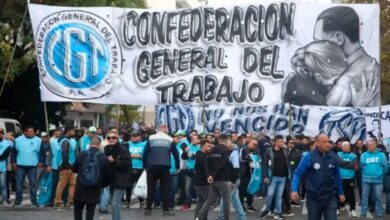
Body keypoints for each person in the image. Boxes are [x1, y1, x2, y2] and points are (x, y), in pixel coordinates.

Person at [291, 134, 345, 220]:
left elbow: (337, 176)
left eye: (329, 141)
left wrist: (341, 192)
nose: (328, 144)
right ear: (317, 143)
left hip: (330, 197)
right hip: (314, 198)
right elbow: (297, 173)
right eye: (324, 142)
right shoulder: (309, 156)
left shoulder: (333, 157)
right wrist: (294, 190)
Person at [143, 124, 179, 216]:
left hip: (152, 166)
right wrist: (177, 166)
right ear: (166, 130)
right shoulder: (169, 139)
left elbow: (145, 152)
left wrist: (145, 165)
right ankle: (166, 210)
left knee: (151, 188)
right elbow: (175, 154)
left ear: (158, 130)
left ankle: (148, 209)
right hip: (165, 167)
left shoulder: (151, 138)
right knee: (165, 189)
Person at [73, 137, 109, 220]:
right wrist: (102, 184)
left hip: (80, 187)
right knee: (90, 210)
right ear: (99, 145)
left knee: (78, 210)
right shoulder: (103, 157)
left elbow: (74, 169)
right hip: (95, 187)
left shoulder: (81, 154)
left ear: (89, 144)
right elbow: (108, 174)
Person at [200, 134, 232, 220]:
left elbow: (206, 164)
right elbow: (224, 164)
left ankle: (200, 216)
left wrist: (209, 175)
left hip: (213, 180)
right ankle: (226, 218)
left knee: (209, 200)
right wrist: (213, 174)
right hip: (223, 179)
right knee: (226, 201)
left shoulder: (211, 150)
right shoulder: (226, 150)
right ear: (226, 140)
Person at [12, 126, 43, 206]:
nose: (32, 132)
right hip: (20, 165)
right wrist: (13, 162)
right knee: (19, 184)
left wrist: (40, 161)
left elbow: (42, 152)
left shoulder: (38, 140)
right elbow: (14, 152)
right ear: (25, 132)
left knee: (33, 184)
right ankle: (18, 201)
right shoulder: (18, 140)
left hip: (32, 166)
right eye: (30, 131)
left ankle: (34, 201)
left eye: (33, 131)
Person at [104, 130, 132, 220]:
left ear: (117, 138)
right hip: (111, 179)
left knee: (116, 203)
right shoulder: (107, 148)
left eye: (113, 137)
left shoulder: (123, 149)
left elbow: (127, 164)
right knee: (113, 203)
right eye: (109, 138)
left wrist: (114, 161)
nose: (111, 139)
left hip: (121, 179)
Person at [260, 135, 290, 219]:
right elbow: (264, 164)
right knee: (270, 194)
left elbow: (287, 163)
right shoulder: (269, 151)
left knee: (279, 196)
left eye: (283, 141)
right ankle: (268, 209)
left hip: (283, 177)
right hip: (272, 177)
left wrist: (288, 174)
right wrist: (265, 176)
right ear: (276, 142)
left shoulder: (284, 150)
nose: (283, 143)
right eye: (281, 141)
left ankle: (278, 213)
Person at [217, 139, 246, 220]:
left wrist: (233, 181)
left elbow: (236, 168)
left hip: (232, 180)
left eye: (228, 143)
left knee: (225, 198)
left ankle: (221, 217)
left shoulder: (234, 153)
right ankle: (242, 217)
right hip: (231, 180)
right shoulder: (228, 153)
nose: (227, 145)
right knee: (236, 201)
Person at [359, 140, 388, 219]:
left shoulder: (382, 155)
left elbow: (385, 167)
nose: (370, 147)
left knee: (379, 198)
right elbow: (361, 166)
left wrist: (380, 175)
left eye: (371, 145)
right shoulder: (364, 155)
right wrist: (365, 174)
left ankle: (379, 215)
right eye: (368, 145)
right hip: (366, 180)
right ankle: (363, 213)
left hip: (378, 180)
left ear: (376, 145)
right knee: (364, 197)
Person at [54, 126, 77, 208]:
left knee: (73, 184)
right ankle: (58, 203)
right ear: (68, 131)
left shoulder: (64, 140)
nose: (74, 132)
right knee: (61, 185)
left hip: (68, 167)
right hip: (67, 167)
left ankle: (70, 202)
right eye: (73, 131)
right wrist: (67, 166)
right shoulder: (65, 141)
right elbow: (65, 154)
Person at [337, 141, 357, 217]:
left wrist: (343, 163)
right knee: (339, 193)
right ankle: (338, 208)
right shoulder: (338, 154)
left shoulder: (354, 155)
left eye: (348, 146)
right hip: (340, 177)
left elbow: (353, 166)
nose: (346, 147)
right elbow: (339, 162)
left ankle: (353, 209)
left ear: (350, 147)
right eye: (344, 146)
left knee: (351, 194)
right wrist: (348, 163)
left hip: (350, 177)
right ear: (342, 147)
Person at [126, 130, 146, 208]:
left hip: (140, 168)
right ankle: (127, 201)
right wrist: (134, 156)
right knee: (128, 186)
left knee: (140, 185)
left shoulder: (144, 144)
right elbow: (124, 154)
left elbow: (146, 156)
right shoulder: (127, 144)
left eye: (135, 136)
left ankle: (141, 201)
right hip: (129, 168)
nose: (133, 138)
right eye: (132, 136)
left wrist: (139, 156)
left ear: (139, 136)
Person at [181, 134, 201, 210]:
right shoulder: (189, 146)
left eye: (195, 139)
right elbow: (183, 157)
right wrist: (186, 151)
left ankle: (200, 203)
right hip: (189, 171)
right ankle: (188, 203)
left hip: (197, 171)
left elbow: (194, 157)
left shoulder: (200, 147)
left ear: (199, 140)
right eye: (192, 139)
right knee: (187, 188)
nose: (193, 140)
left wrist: (190, 153)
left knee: (198, 188)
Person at [193, 140, 212, 220]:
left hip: (201, 182)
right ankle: (202, 218)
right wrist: (209, 176)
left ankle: (197, 218)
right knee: (207, 201)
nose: (210, 148)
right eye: (208, 146)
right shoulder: (200, 155)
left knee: (201, 202)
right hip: (202, 182)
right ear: (203, 146)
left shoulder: (205, 155)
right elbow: (205, 166)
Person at [239, 137, 258, 212]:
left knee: (251, 189)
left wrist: (255, 159)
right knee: (242, 190)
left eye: (255, 144)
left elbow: (258, 159)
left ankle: (249, 204)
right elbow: (242, 159)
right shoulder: (243, 149)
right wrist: (250, 158)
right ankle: (241, 205)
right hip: (244, 173)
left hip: (252, 173)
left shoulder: (256, 151)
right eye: (252, 143)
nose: (253, 145)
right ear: (249, 143)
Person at [0, 128, 11, 205]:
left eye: (0, 133)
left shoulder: (7, 143)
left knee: (3, 185)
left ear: (2, 134)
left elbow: (5, 155)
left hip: (2, 168)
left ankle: (4, 200)